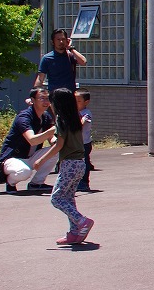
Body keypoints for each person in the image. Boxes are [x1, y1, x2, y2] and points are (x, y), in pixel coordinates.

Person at [31, 88, 95, 245]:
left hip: (69, 164)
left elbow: (59, 145)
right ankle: (75, 233)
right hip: (80, 163)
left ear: (57, 104)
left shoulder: (61, 119)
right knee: (68, 198)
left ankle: (81, 221)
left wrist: (42, 160)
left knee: (57, 198)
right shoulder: (74, 118)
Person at [0, 87, 59, 192]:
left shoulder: (46, 117)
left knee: (57, 150)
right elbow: (32, 140)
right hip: (13, 159)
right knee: (24, 172)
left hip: (31, 157)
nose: (46, 102)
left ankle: (37, 183)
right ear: (32, 100)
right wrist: (53, 129)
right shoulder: (24, 117)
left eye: (48, 98)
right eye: (42, 98)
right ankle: (10, 182)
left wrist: (59, 142)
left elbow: (51, 139)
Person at [75, 89, 94, 191]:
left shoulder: (86, 113)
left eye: (78, 101)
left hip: (84, 143)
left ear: (86, 102)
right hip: (75, 144)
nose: (75, 103)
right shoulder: (73, 112)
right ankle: (75, 182)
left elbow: (80, 124)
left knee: (84, 163)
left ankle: (84, 183)